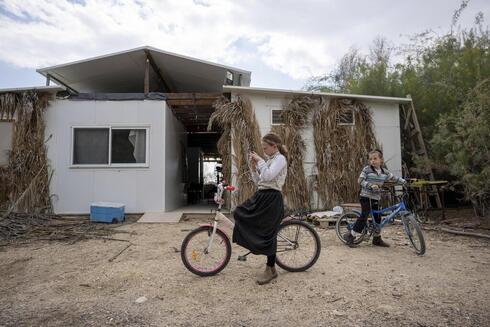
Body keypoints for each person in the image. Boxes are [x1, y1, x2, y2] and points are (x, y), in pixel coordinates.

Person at [232, 133, 288, 285]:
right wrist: (255, 166)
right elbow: (261, 180)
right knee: (239, 213)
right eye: (262, 149)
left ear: (274, 146)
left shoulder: (280, 159)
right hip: (262, 196)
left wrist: (261, 161)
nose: (263, 151)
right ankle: (254, 245)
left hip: (272, 199)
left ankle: (270, 269)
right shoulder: (269, 160)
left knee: (269, 234)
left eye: (265, 148)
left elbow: (269, 176)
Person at [343, 149, 406, 247]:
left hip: (376, 198)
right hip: (365, 196)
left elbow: (394, 178)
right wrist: (370, 185)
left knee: (377, 218)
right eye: (371, 159)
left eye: (375, 158)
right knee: (364, 215)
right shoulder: (367, 169)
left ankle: (376, 239)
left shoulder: (385, 172)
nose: (373, 161)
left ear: (381, 160)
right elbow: (360, 180)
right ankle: (350, 236)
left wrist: (404, 181)